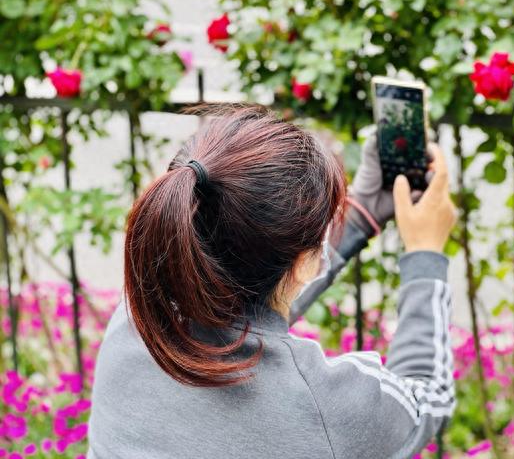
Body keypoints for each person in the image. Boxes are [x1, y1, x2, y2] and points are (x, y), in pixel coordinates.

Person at [87, 103, 457, 459]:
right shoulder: (327, 407)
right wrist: (425, 250)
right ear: (304, 263)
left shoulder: (135, 321)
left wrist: (359, 217)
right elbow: (427, 394)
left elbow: (244, 286)